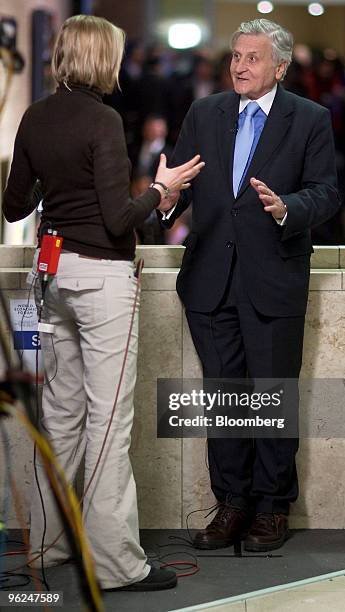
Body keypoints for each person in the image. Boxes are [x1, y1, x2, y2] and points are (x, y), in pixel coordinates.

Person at [3, 15, 203, 590]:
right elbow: (119, 217)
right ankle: (116, 563)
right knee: (109, 423)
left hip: (55, 277)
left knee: (60, 418)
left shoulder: (36, 116)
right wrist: (163, 192)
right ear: (101, 60)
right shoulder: (104, 119)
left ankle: (47, 545)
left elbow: (16, 207)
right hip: (102, 280)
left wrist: (58, 180)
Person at [161, 19, 340, 552]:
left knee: (270, 397)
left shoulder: (310, 119)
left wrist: (289, 209)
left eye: (253, 58)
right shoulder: (204, 112)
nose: (240, 65)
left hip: (273, 280)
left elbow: (327, 192)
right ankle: (232, 504)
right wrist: (168, 200)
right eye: (236, 56)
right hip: (210, 283)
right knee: (225, 398)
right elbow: (182, 182)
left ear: (280, 67)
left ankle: (271, 507)